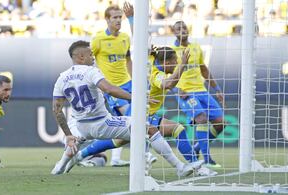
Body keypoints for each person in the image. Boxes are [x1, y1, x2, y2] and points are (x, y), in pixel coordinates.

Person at [50, 40, 202, 176]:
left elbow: (56, 109)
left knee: (75, 140)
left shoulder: (61, 78)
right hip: (102, 123)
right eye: (90, 54)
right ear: (81, 57)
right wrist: (136, 97)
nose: (93, 57)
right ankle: (179, 166)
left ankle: (59, 167)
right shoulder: (91, 72)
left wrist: (68, 134)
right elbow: (108, 89)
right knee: (147, 129)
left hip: (81, 125)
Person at [148, 46, 217, 176]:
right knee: (177, 129)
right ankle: (195, 167)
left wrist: (149, 51)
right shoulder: (156, 74)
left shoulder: (152, 59)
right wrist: (183, 64)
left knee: (116, 140)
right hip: (142, 115)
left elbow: (151, 54)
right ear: (167, 63)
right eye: (175, 62)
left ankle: (194, 166)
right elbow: (168, 84)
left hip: (146, 113)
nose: (176, 65)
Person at [171, 21, 225, 168]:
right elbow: (165, 73)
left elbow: (204, 70)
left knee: (221, 122)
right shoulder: (172, 51)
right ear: (173, 32)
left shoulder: (195, 47)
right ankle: (207, 160)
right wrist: (176, 90)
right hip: (185, 93)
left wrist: (217, 89)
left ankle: (196, 148)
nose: (182, 30)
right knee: (201, 119)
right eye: (178, 28)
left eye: (184, 27)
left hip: (201, 90)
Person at [86, 4, 133, 167]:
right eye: (115, 17)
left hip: (128, 83)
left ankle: (115, 158)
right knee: (131, 118)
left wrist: (135, 81)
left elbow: (128, 59)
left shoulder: (125, 37)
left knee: (124, 120)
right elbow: (86, 59)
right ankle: (145, 154)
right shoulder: (98, 39)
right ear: (107, 19)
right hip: (112, 88)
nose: (118, 20)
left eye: (120, 17)